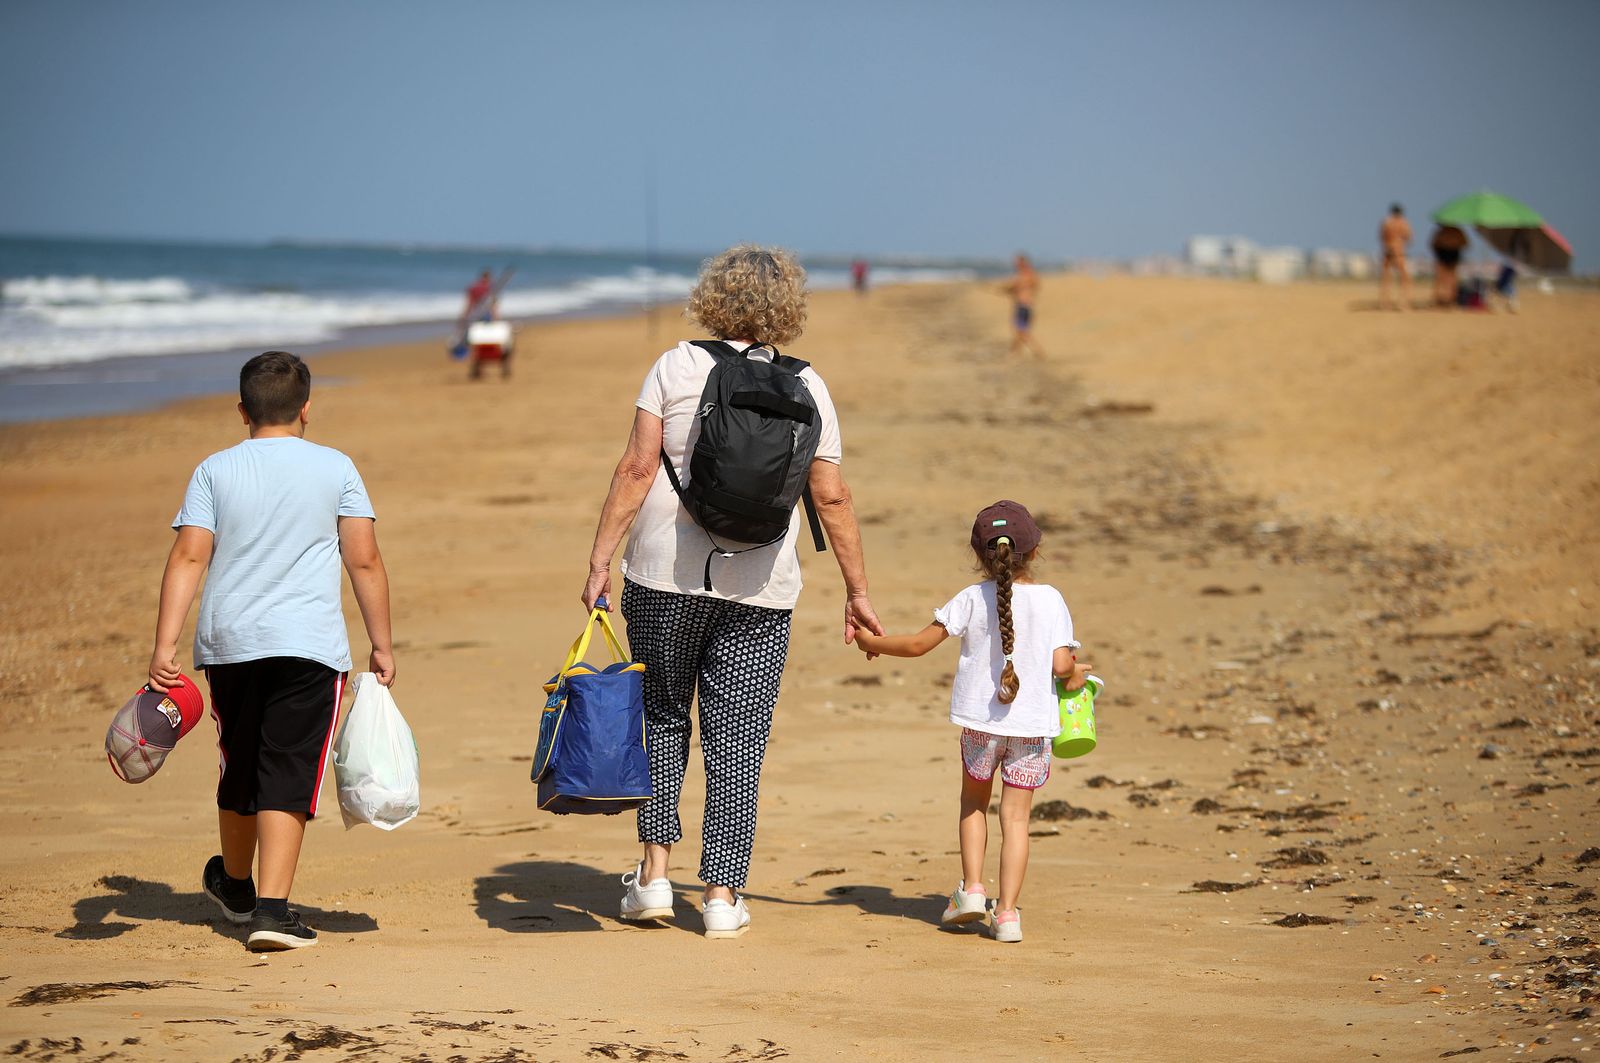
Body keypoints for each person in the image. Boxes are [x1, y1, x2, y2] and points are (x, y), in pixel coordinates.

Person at [581, 245, 882, 939]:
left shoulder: (675, 366)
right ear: (788, 307)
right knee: (738, 740)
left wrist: (599, 561)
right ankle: (721, 896)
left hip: (663, 575)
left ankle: (655, 876)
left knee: (662, 716)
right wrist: (857, 589)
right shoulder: (809, 385)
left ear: (712, 297)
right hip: (761, 585)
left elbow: (636, 470)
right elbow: (831, 496)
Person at [147, 350, 395, 952]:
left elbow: (189, 555)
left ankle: (236, 887)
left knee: (240, 759)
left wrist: (164, 645)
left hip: (230, 642)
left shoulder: (214, 470)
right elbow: (363, 559)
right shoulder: (336, 467)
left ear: (242, 411)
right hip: (308, 645)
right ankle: (273, 912)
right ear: (306, 408)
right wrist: (381, 644)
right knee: (288, 766)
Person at [851, 500, 1089, 943]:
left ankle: (973, 891)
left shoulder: (971, 598)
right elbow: (1061, 666)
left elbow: (919, 645)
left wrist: (872, 642)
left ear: (979, 554)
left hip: (981, 724)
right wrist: (1077, 674)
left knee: (973, 805)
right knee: (1015, 820)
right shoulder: (1052, 599)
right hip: (1031, 728)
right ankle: (1008, 914)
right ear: (1035, 551)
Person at [1001, 254, 1044, 357]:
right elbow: (1033, 287)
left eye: (1017, 262)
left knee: (1021, 331)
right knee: (1020, 331)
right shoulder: (1032, 274)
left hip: (1022, 306)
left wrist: (1008, 290)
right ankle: (1015, 353)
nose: (1015, 264)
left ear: (1022, 263)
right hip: (1028, 306)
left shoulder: (1022, 276)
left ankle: (1037, 351)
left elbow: (1013, 287)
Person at [1379, 204, 1414, 310]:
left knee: (1386, 276)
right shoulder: (1403, 223)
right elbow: (1408, 237)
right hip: (1398, 249)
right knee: (1405, 277)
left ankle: (1385, 302)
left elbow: (1382, 236)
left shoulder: (1386, 222)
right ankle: (1403, 302)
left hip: (1387, 248)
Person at [1429, 225, 1468, 307]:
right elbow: (1465, 243)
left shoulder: (1444, 232)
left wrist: (1449, 245)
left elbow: (1433, 244)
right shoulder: (1454, 231)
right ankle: (1441, 298)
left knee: (1449, 278)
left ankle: (1450, 299)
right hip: (1445, 255)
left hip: (1451, 255)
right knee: (1442, 277)